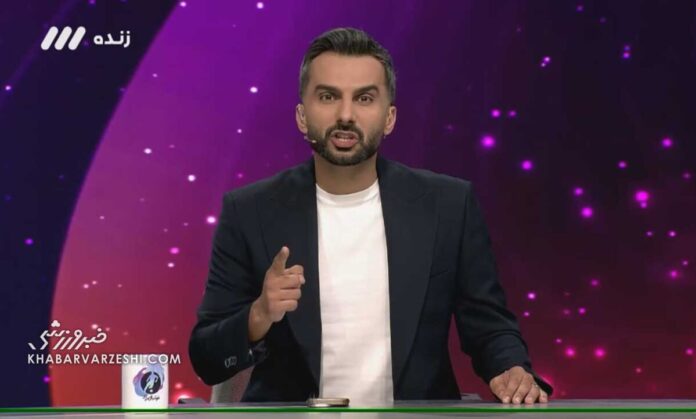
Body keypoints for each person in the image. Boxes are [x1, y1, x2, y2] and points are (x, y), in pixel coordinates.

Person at [189, 27, 553, 406]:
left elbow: (489, 327)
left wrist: (511, 369)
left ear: (389, 117)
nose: (346, 115)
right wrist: (259, 315)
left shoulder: (448, 205)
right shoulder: (249, 211)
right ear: (301, 115)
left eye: (364, 98)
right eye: (328, 96)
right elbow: (206, 358)